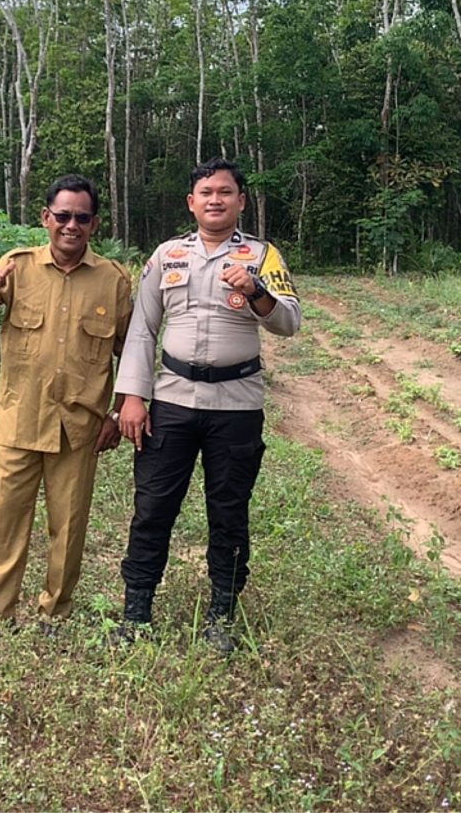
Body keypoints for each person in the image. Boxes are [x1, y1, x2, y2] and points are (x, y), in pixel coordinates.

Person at [113, 157, 301, 653]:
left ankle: (221, 614)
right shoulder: (168, 255)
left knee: (229, 510)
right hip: (172, 399)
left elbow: (288, 322)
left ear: (241, 201)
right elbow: (142, 329)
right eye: (206, 192)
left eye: (225, 192)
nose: (215, 200)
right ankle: (136, 614)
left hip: (236, 404)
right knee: (153, 506)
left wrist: (256, 291)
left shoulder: (262, 256)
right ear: (191, 203)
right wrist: (132, 397)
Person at [0, 175, 132, 646]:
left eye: (82, 217)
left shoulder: (112, 280)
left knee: (68, 527)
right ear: (46, 218)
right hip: (19, 421)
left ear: (95, 224)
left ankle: (56, 616)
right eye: (62, 215)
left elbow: (130, 352)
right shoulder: (16, 266)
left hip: (79, 427)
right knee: (4, 524)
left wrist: (119, 412)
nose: (71, 225)